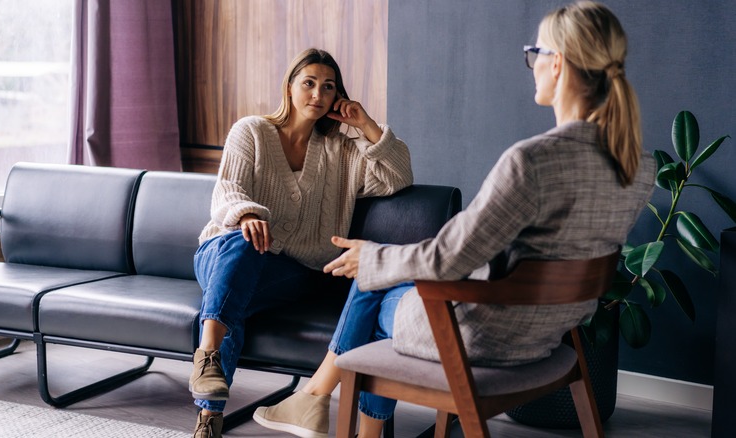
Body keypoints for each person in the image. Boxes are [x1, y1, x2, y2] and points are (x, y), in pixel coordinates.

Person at [252, 2, 656, 437]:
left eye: (534, 53)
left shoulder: (533, 161)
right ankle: (318, 403)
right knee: (379, 276)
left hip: (483, 336)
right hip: (549, 333)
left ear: (556, 64)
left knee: (371, 283)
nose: (532, 64)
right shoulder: (637, 165)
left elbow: (450, 258)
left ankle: (315, 401)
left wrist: (373, 259)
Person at [190, 48, 413, 438]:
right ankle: (207, 362)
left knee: (235, 299)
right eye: (308, 83)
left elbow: (398, 176)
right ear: (289, 87)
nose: (317, 93)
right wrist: (247, 214)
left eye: (328, 87)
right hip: (223, 251)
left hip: (291, 271)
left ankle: (211, 416)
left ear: (337, 97)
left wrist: (366, 125)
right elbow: (227, 189)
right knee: (243, 251)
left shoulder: (342, 151)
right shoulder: (252, 130)